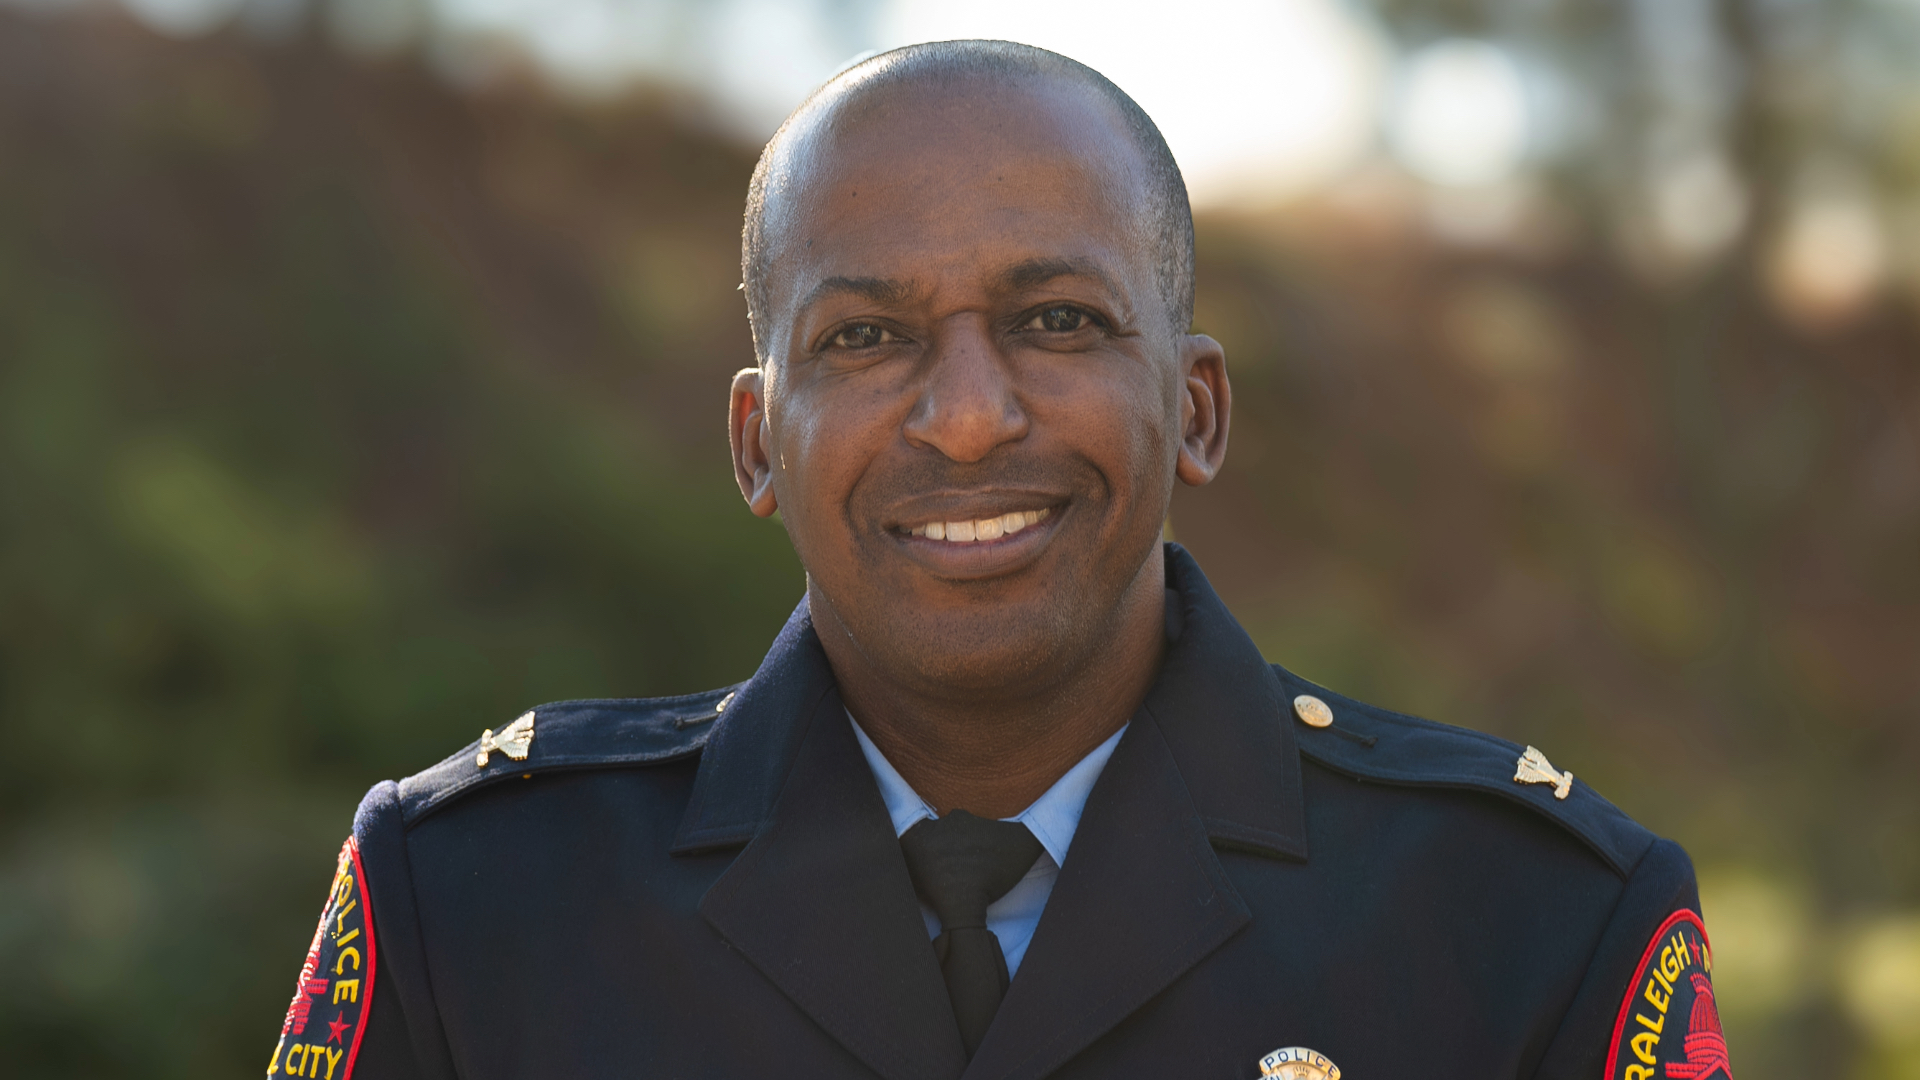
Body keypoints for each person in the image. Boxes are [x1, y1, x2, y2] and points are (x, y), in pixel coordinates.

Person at [266, 40, 1730, 1080]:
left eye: (1058, 322)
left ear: (1198, 409)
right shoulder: (476, 907)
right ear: (758, 444)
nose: (967, 417)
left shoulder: (1531, 925)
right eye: (865, 338)